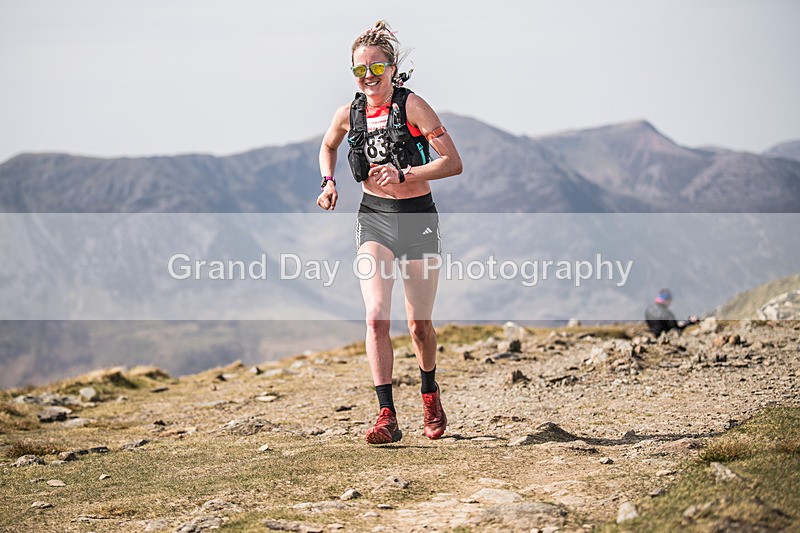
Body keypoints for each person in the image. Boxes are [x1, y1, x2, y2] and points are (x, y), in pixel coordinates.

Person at [317, 21, 462, 445]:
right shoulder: (348, 113)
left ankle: (430, 392)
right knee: (376, 316)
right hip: (374, 217)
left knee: (419, 325)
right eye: (359, 72)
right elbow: (328, 146)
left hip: (418, 217)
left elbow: (453, 162)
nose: (368, 79)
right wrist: (328, 183)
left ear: (392, 68)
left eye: (376, 70)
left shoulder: (412, 106)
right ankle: (386, 415)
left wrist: (406, 173)